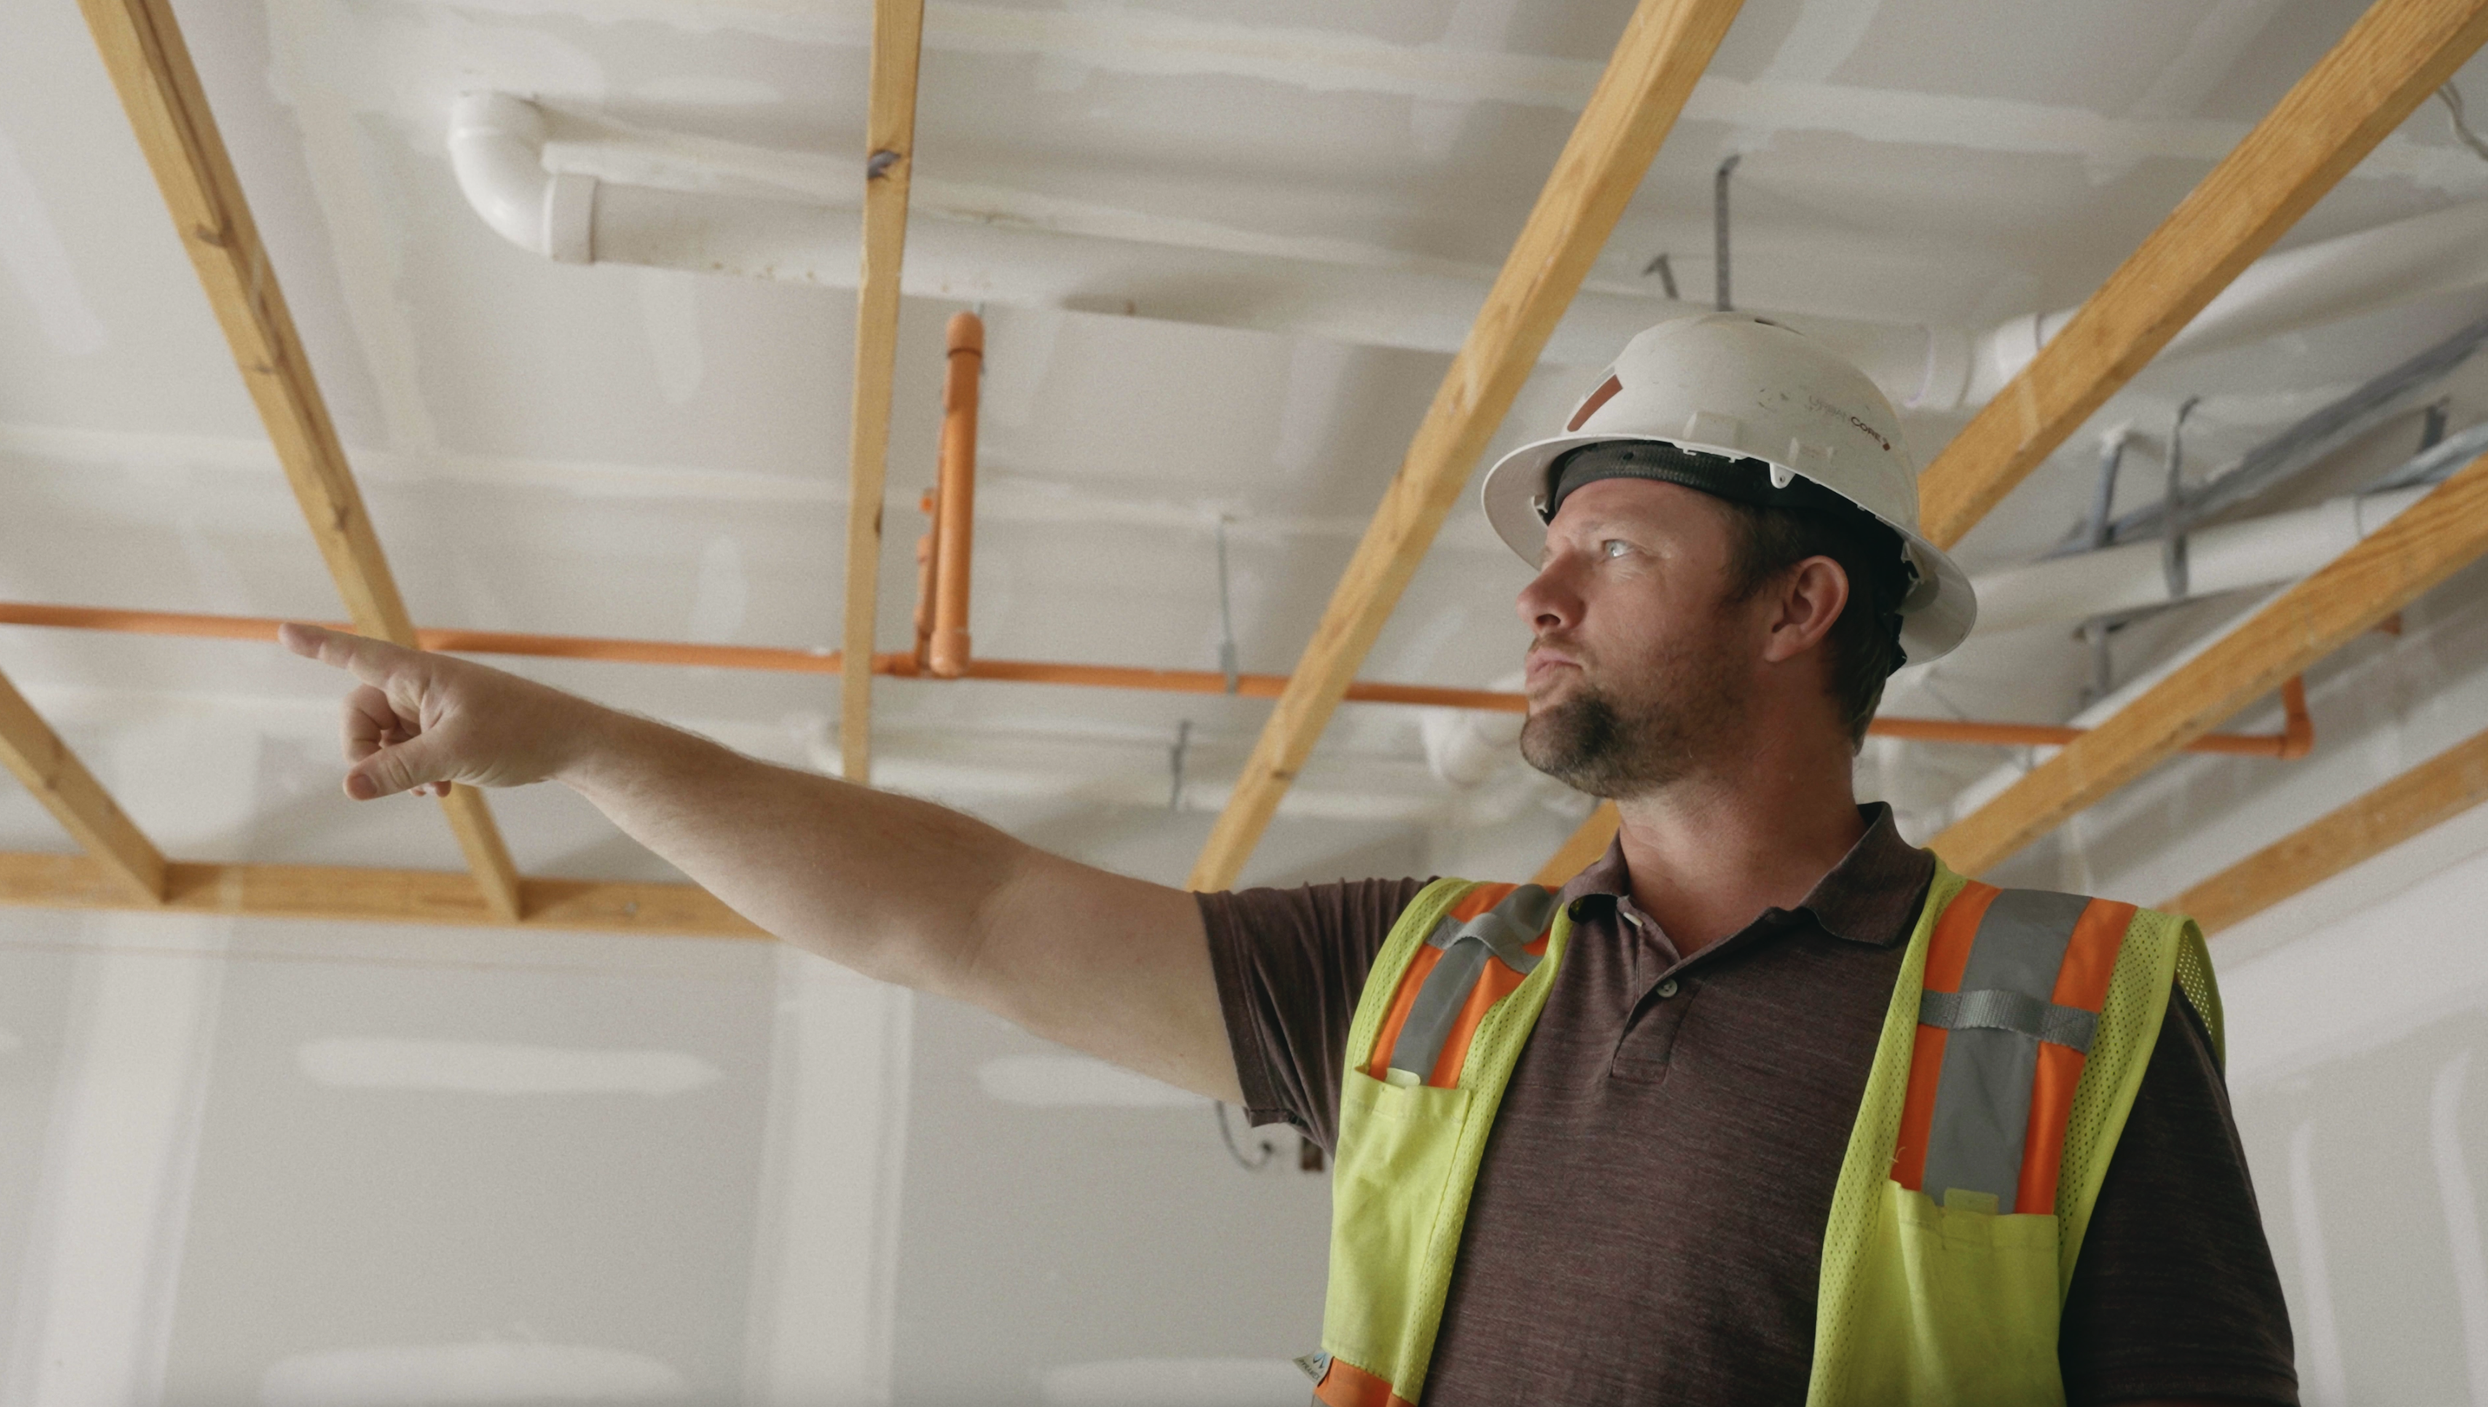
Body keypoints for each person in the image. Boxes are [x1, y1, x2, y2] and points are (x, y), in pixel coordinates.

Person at [283, 313, 2295, 1406]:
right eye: (1543, 552)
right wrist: (578, 741)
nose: (1539, 599)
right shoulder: (1433, 976)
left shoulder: (2068, 1009)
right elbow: (959, 912)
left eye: (1612, 549)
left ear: (1795, 609)